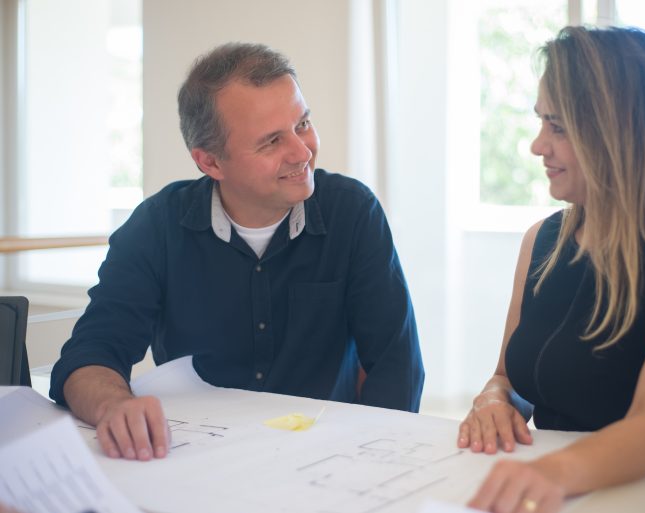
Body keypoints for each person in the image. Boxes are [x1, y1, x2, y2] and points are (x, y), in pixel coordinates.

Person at [50, 43, 424, 462]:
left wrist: (368, 461)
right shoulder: (156, 226)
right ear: (210, 163)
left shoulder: (353, 212)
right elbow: (89, 356)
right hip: (195, 463)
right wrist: (113, 405)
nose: (303, 152)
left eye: (302, 123)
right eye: (271, 142)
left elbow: (397, 368)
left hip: (325, 461)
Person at [457, 26, 645, 513]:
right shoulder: (541, 240)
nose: (536, 145)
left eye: (558, 127)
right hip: (563, 495)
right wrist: (493, 400)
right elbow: (509, 376)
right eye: (541, 123)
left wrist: (552, 472)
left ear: (620, 133)